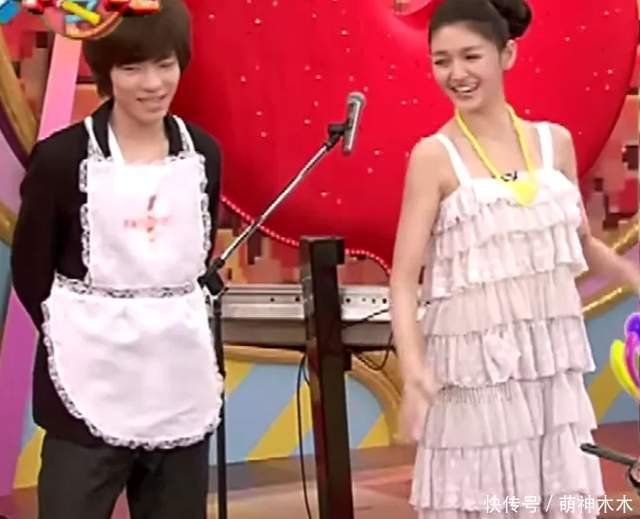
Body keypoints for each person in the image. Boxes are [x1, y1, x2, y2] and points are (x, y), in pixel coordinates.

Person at [389, 0, 640, 517]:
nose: (456, 73)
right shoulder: (434, 156)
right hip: (475, 383)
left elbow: (582, 243)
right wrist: (413, 372)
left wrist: (631, 276)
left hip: (547, 374)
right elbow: (403, 280)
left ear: (507, 54)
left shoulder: (554, 143)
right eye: (441, 61)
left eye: (470, 56)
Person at [10, 0, 224, 517]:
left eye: (165, 65)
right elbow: (31, 272)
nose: (153, 83)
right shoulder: (61, 160)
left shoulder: (203, 153)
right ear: (106, 74)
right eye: (132, 68)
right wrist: (86, 330)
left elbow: (197, 257)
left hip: (177, 381)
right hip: (88, 383)